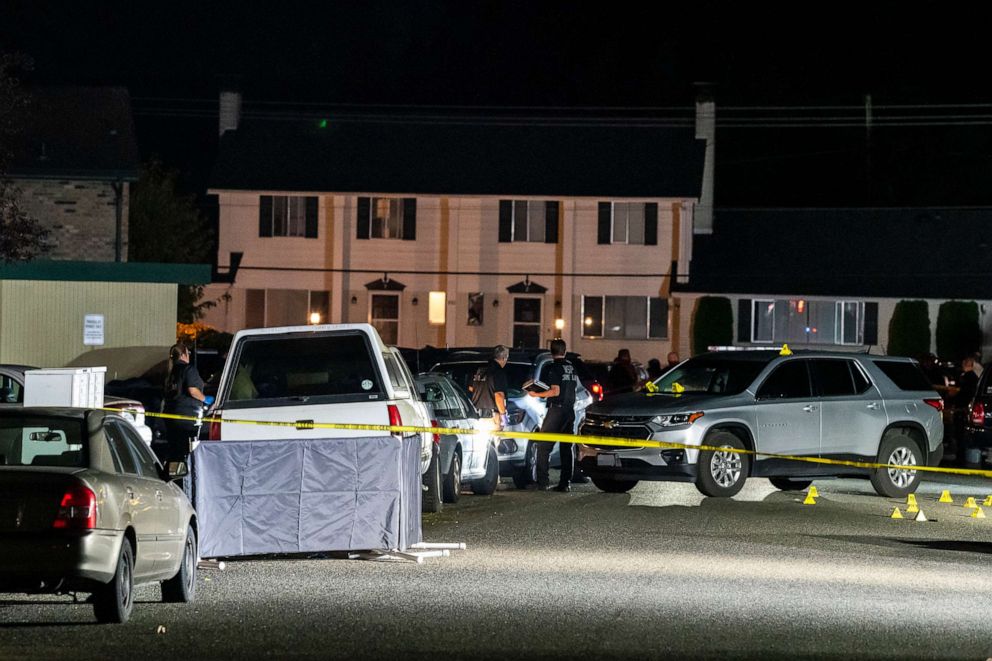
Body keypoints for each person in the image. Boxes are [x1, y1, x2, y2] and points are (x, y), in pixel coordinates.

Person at [528, 339, 579, 491]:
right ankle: (565, 483)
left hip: (556, 409)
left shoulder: (554, 368)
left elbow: (555, 391)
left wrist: (537, 394)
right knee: (566, 447)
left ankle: (542, 482)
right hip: (569, 411)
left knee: (543, 445)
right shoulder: (571, 367)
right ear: (565, 350)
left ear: (551, 352)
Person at [161, 341, 207, 464]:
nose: (189, 355)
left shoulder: (171, 372)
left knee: (174, 450)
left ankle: (172, 473)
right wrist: (206, 399)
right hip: (186, 418)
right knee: (186, 451)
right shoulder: (188, 369)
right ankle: (184, 476)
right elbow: (193, 390)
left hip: (170, 416)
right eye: (188, 353)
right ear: (183, 355)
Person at [470, 344, 509, 430]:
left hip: (476, 416)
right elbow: (499, 395)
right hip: (492, 418)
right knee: (494, 442)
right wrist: (503, 415)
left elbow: (471, 388)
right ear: (504, 358)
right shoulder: (499, 372)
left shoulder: (480, 370)